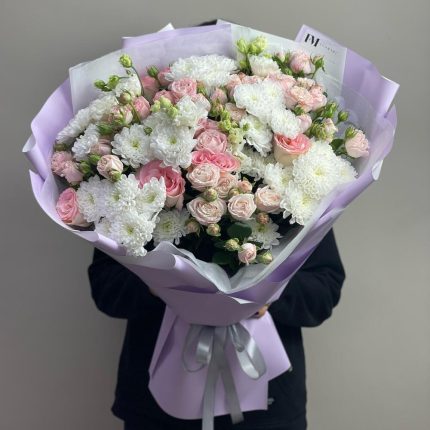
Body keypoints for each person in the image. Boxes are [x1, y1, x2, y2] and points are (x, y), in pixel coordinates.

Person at [88, 227, 345, 430]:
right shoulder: (135, 185)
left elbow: (324, 290)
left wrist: (268, 293)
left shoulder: (296, 191)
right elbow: (106, 287)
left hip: (268, 409)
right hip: (154, 408)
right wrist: (160, 284)